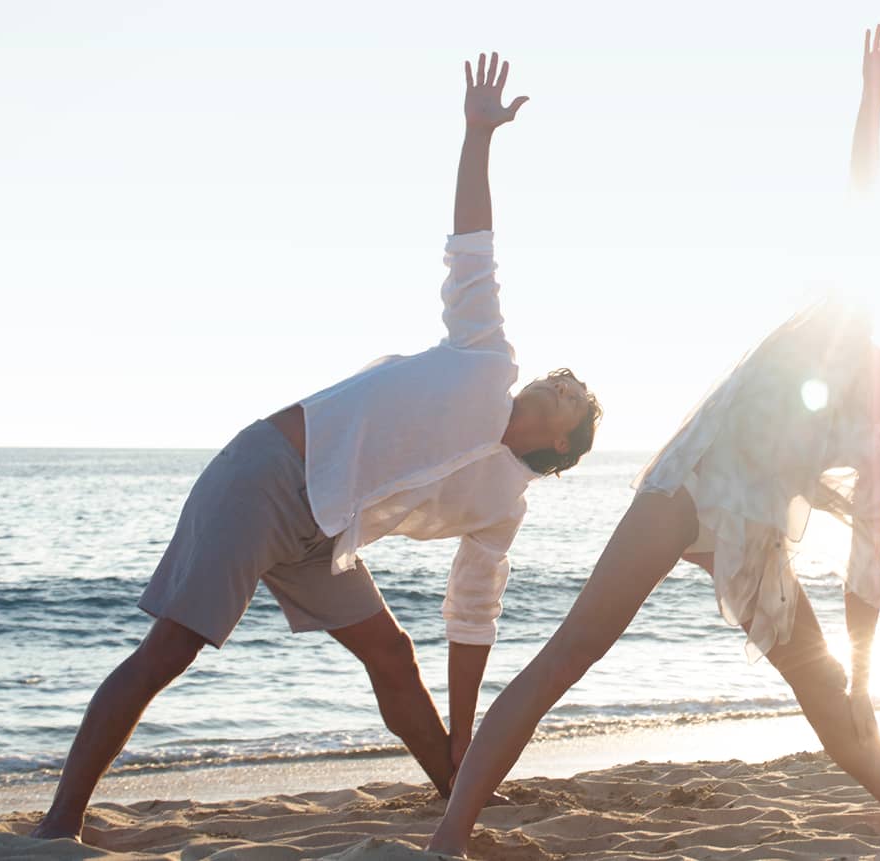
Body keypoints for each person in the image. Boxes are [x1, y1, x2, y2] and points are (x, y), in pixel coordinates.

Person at [428, 23, 880, 854]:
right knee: (566, 657)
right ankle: (448, 839)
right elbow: (860, 202)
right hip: (687, 493)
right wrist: (871, 101)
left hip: (756, 538)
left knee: (829, 694)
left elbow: (865, 573)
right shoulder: (849, 317)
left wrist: (869, 681)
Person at [30, 52, 602, 842]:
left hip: (322, 530)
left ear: (563, 438)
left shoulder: (504, 504)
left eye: (568, 395)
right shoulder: (486, 355)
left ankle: (456, 788)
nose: (552, 384)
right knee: (171, 650)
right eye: (559, 380)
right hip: (268, 476)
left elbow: (472, 617)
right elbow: (473, 246)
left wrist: (469, 740)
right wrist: (479, 138)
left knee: (393, 652)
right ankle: (60, 822)